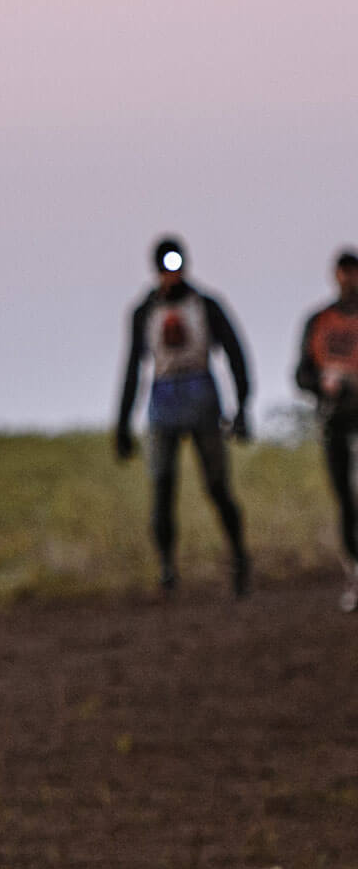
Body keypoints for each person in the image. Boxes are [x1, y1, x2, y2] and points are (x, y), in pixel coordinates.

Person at [114, 235, 254, 597]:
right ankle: (167, 568)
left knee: (217, 485)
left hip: (202, 397)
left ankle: (239, 557)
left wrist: (242, 408)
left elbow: (236, 354)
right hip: (163, 400)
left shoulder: (205, 305)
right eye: (165, 267)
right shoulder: (144, 312)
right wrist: (122, 423)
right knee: (162, 487)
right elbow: (132, 368)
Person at [292, 249, 358, 613]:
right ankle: (354, 573)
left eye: (353, 272)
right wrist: (323, 382)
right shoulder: (320, 321)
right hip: (335, 423)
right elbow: (301, 373)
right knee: (346, 500)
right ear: (335, 275)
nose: (349, 279)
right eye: (343, 272)